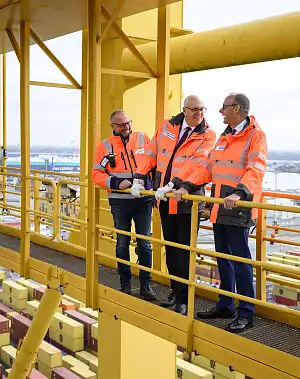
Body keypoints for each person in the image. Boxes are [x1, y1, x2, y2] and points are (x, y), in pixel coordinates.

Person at [172, 93, 267, 333]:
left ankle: (246, 312)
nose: (220, 112)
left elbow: (256, 168)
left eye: (224, 108)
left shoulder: (255, 136)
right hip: (219, 205)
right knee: (223, 258)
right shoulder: (225, 137)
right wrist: (186, 186)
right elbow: (207, 167)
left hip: (238, 207)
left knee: (239, 260)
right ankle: (226, 304)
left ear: (236, 109)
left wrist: (240, 194)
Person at [147, 95, 217, 315]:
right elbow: (152, 154)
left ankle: (184, 299)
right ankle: (176, 291)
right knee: (171, 248)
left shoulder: (207, 134)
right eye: (194, 109)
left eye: (202, 109)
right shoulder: (168, 127)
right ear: (184, 110)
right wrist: (143, 178)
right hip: (166, 200)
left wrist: (175, 184)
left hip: (187, 200)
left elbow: (197, 163)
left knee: (185, 251)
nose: (199, 113)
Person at [92, 110, 156, 301]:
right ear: (112, 126)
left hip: (143, 199)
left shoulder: (143, 138)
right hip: (120, 201)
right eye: (121, 125)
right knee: (122, 242)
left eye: (128, 123)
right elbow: (96, 174)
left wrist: (153, 191)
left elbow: (154, 164)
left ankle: (146, 285)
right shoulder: (104, 147)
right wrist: (115, 183)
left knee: (145, 243)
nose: (126, 127)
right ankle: (125, 285)